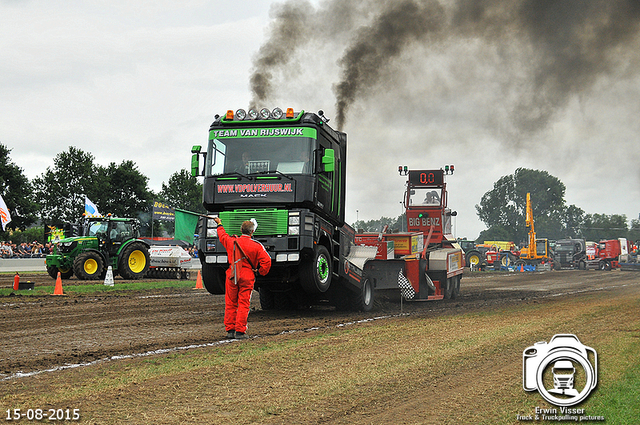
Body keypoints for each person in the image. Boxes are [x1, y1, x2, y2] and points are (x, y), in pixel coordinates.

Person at [214, 216, 271, 340]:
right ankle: (240, 331)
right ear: (252, 231)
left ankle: (230, 330)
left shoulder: (231, 241)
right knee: (243, 303)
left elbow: (222, 235)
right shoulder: (257, 245)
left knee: (230, 303)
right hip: (247, 275)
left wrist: (219, 223)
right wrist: (260, 271)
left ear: (241, 230)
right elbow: (267, 261)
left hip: (232, 274)